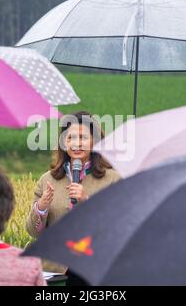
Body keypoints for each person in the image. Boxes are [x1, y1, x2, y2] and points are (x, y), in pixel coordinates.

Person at [26, 111, 121, 279]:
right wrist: (41, 208)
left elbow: (119, 227)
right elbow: (33, 232)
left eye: (83, 137)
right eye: (70, 138)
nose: (76, 144)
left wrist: (87, 202)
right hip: (56, 271)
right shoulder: (47, 180)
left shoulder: (113, 179)